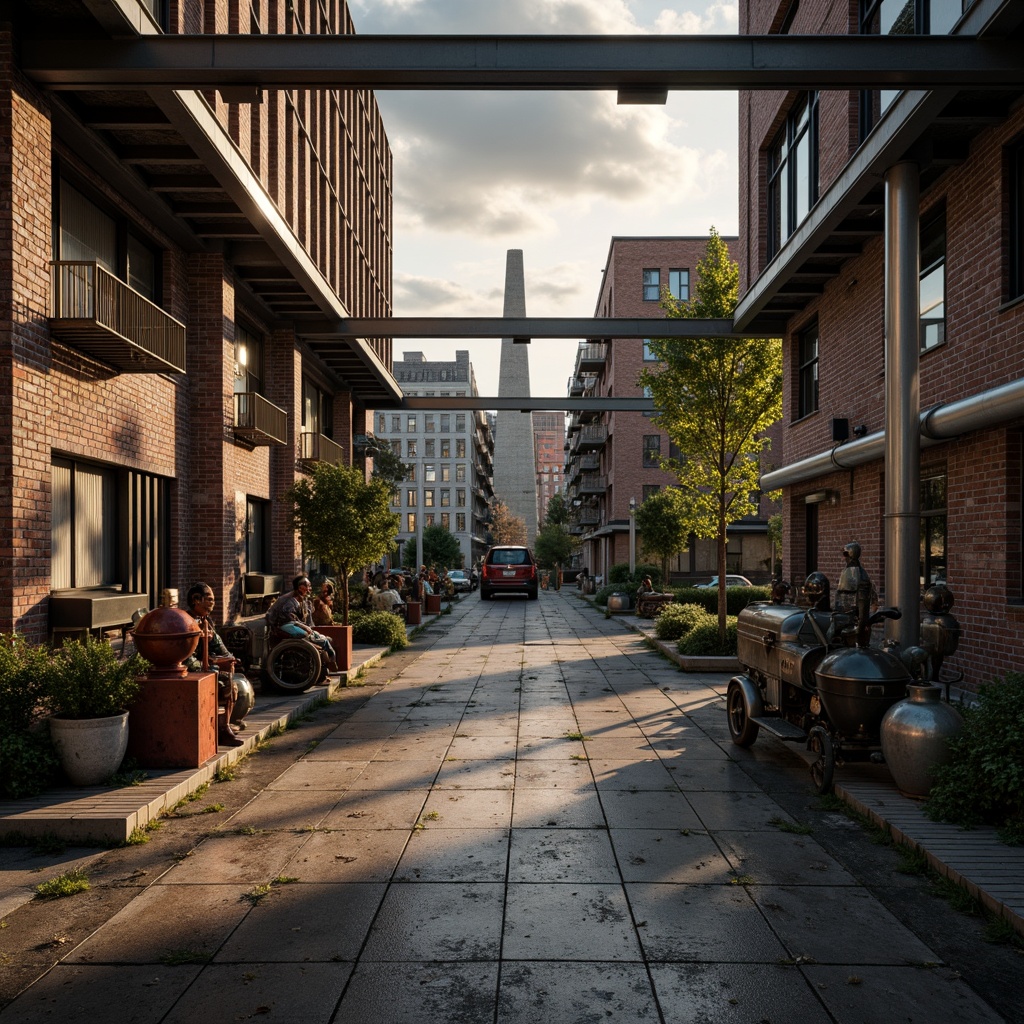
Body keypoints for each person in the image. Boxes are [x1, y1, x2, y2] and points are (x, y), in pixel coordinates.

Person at [184, 583, 244, 747]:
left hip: (205, 668)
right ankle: (223, 730)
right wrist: (209, 666)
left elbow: (220, 649)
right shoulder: (186, 623)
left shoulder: (206, 621)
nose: (212, 603)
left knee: (231, 680)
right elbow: (186, 657)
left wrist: (229, 659)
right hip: (189, 672)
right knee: (226, 683)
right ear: (196, 600)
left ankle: (223, 726)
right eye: (209, 600)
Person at [265, 574, 339, 673]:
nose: (310, 588)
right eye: (308, 586)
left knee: (326, 640)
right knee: (321, 640)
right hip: (283, 626)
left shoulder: (302, 600)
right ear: (301, 587)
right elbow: (288, 619)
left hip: (293, 625)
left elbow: (306, 620)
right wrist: (305, 628)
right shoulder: (289, 600)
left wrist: (309, 628)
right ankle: (327, 665)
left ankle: (329, 663)